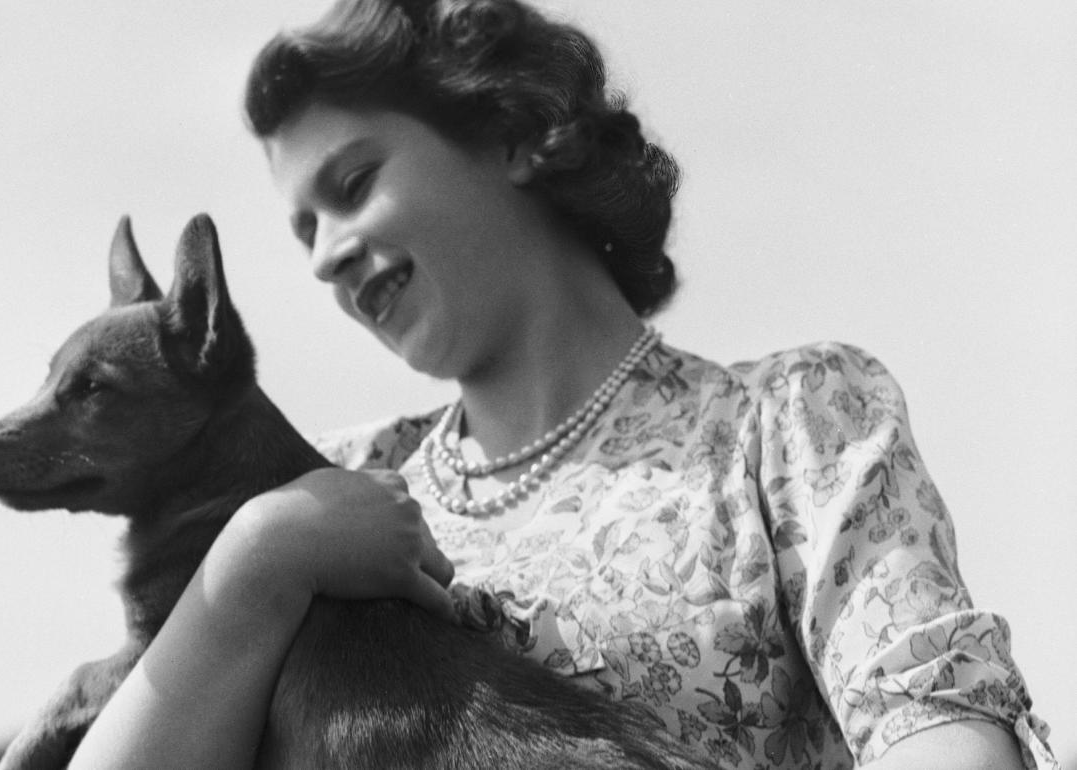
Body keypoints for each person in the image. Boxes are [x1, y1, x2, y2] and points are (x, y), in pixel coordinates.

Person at [70, 0, 1057, 767]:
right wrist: (256, 560)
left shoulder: (789, 423)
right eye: (303, 232)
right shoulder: (325, 487)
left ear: (509, 132)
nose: (325, 255)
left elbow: (937, 729)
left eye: (353, 184)